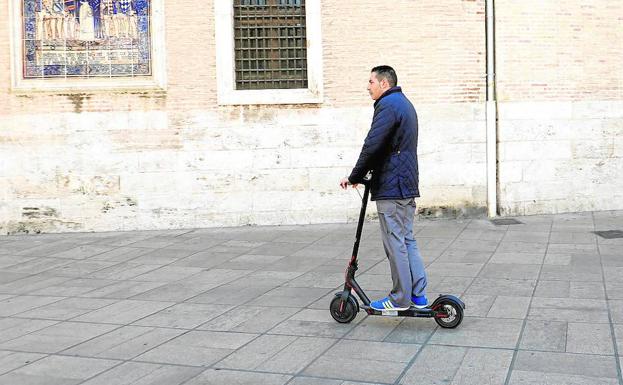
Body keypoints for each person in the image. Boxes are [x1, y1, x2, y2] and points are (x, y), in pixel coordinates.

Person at [339, 65, 428, 311]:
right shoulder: (404, 103)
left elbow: (373, 144)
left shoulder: (388, 105)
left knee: (395, 242)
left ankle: (400, 298)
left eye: (370, 82)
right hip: (405, 184)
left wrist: (355, 175)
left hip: (393, 186)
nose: (367, 87)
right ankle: (418, 295)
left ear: (384, 84)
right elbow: (390, 145)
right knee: (407, 239)